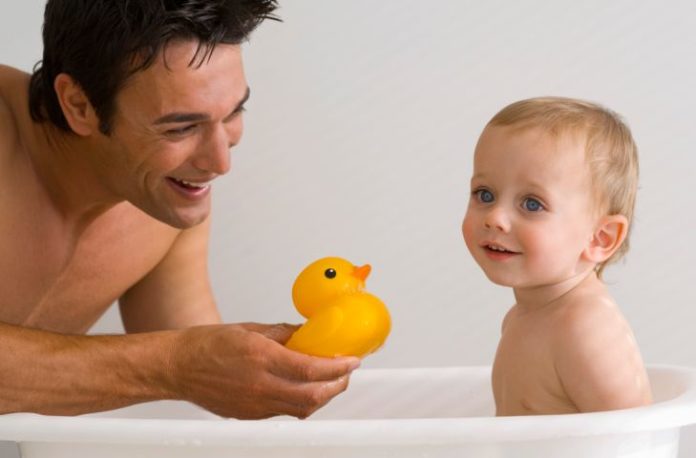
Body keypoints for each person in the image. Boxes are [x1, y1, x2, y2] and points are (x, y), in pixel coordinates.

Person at [0, 0, 360, 419]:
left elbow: (207, 374)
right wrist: (175, 366)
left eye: (234, 112)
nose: (220, 162)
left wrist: (286, 366)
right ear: (79, 104)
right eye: (181, 127)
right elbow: (183, 360)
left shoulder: (162, 197)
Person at [461, 97, 653, 415]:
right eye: (485, 194)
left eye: (532, 204)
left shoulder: (587, 329)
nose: (495, 217)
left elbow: (633, 439)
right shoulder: (525, 315)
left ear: (599, 238)